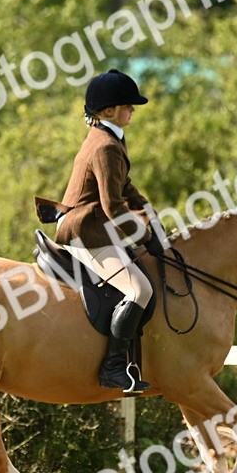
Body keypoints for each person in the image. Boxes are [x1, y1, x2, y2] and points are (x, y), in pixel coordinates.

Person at [54, 68, 165, 394]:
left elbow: (126, 186)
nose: (133, 109)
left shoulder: (110, 138)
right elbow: (114, 207)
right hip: (85, 231)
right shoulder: (104, 146)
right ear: (108, 111)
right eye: (128, 105)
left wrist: (150, 214)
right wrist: (145, 234)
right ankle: (113, 368)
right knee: (139, 290)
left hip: (93, 224)